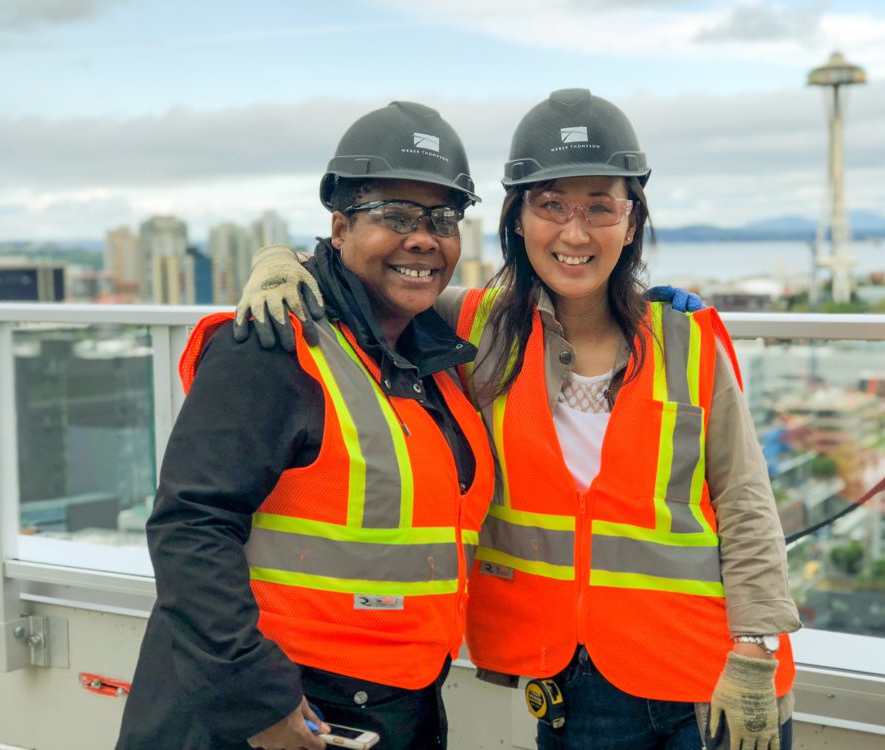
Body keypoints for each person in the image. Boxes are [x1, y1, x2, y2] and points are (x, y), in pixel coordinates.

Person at [235, 89, 800, 750]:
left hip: (712, 673)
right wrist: (280, 263)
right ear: (517, 217)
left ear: (631, 219)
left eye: (600, 207)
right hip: (575, 683)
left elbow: (745, 500)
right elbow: (372, 280)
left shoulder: (686, 336)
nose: (575, 232)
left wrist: (756, 647)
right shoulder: (473, 327)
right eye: (551, 204)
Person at [116, 101, 496, 750]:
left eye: (443, 218)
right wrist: (260, 706)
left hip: (394, 705)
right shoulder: (271, 346)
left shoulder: (428, 359)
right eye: (397, 216)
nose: (425, 238)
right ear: (341, 227)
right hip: (279, 713)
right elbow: (192, 527)